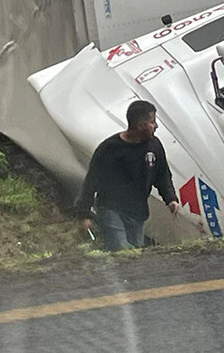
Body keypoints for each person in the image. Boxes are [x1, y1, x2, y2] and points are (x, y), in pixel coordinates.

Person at [77, 100, 180, 251]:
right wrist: (84, 214)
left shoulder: (154, 145)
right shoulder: (109, 148)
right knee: (121, 251)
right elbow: (91, 181)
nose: (156, 126)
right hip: (110, 208)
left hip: (137, 212)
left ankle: (123, 274)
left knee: (135, 253)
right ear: (140, 125)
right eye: (152, 122)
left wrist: (171, 199)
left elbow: (162, 175)